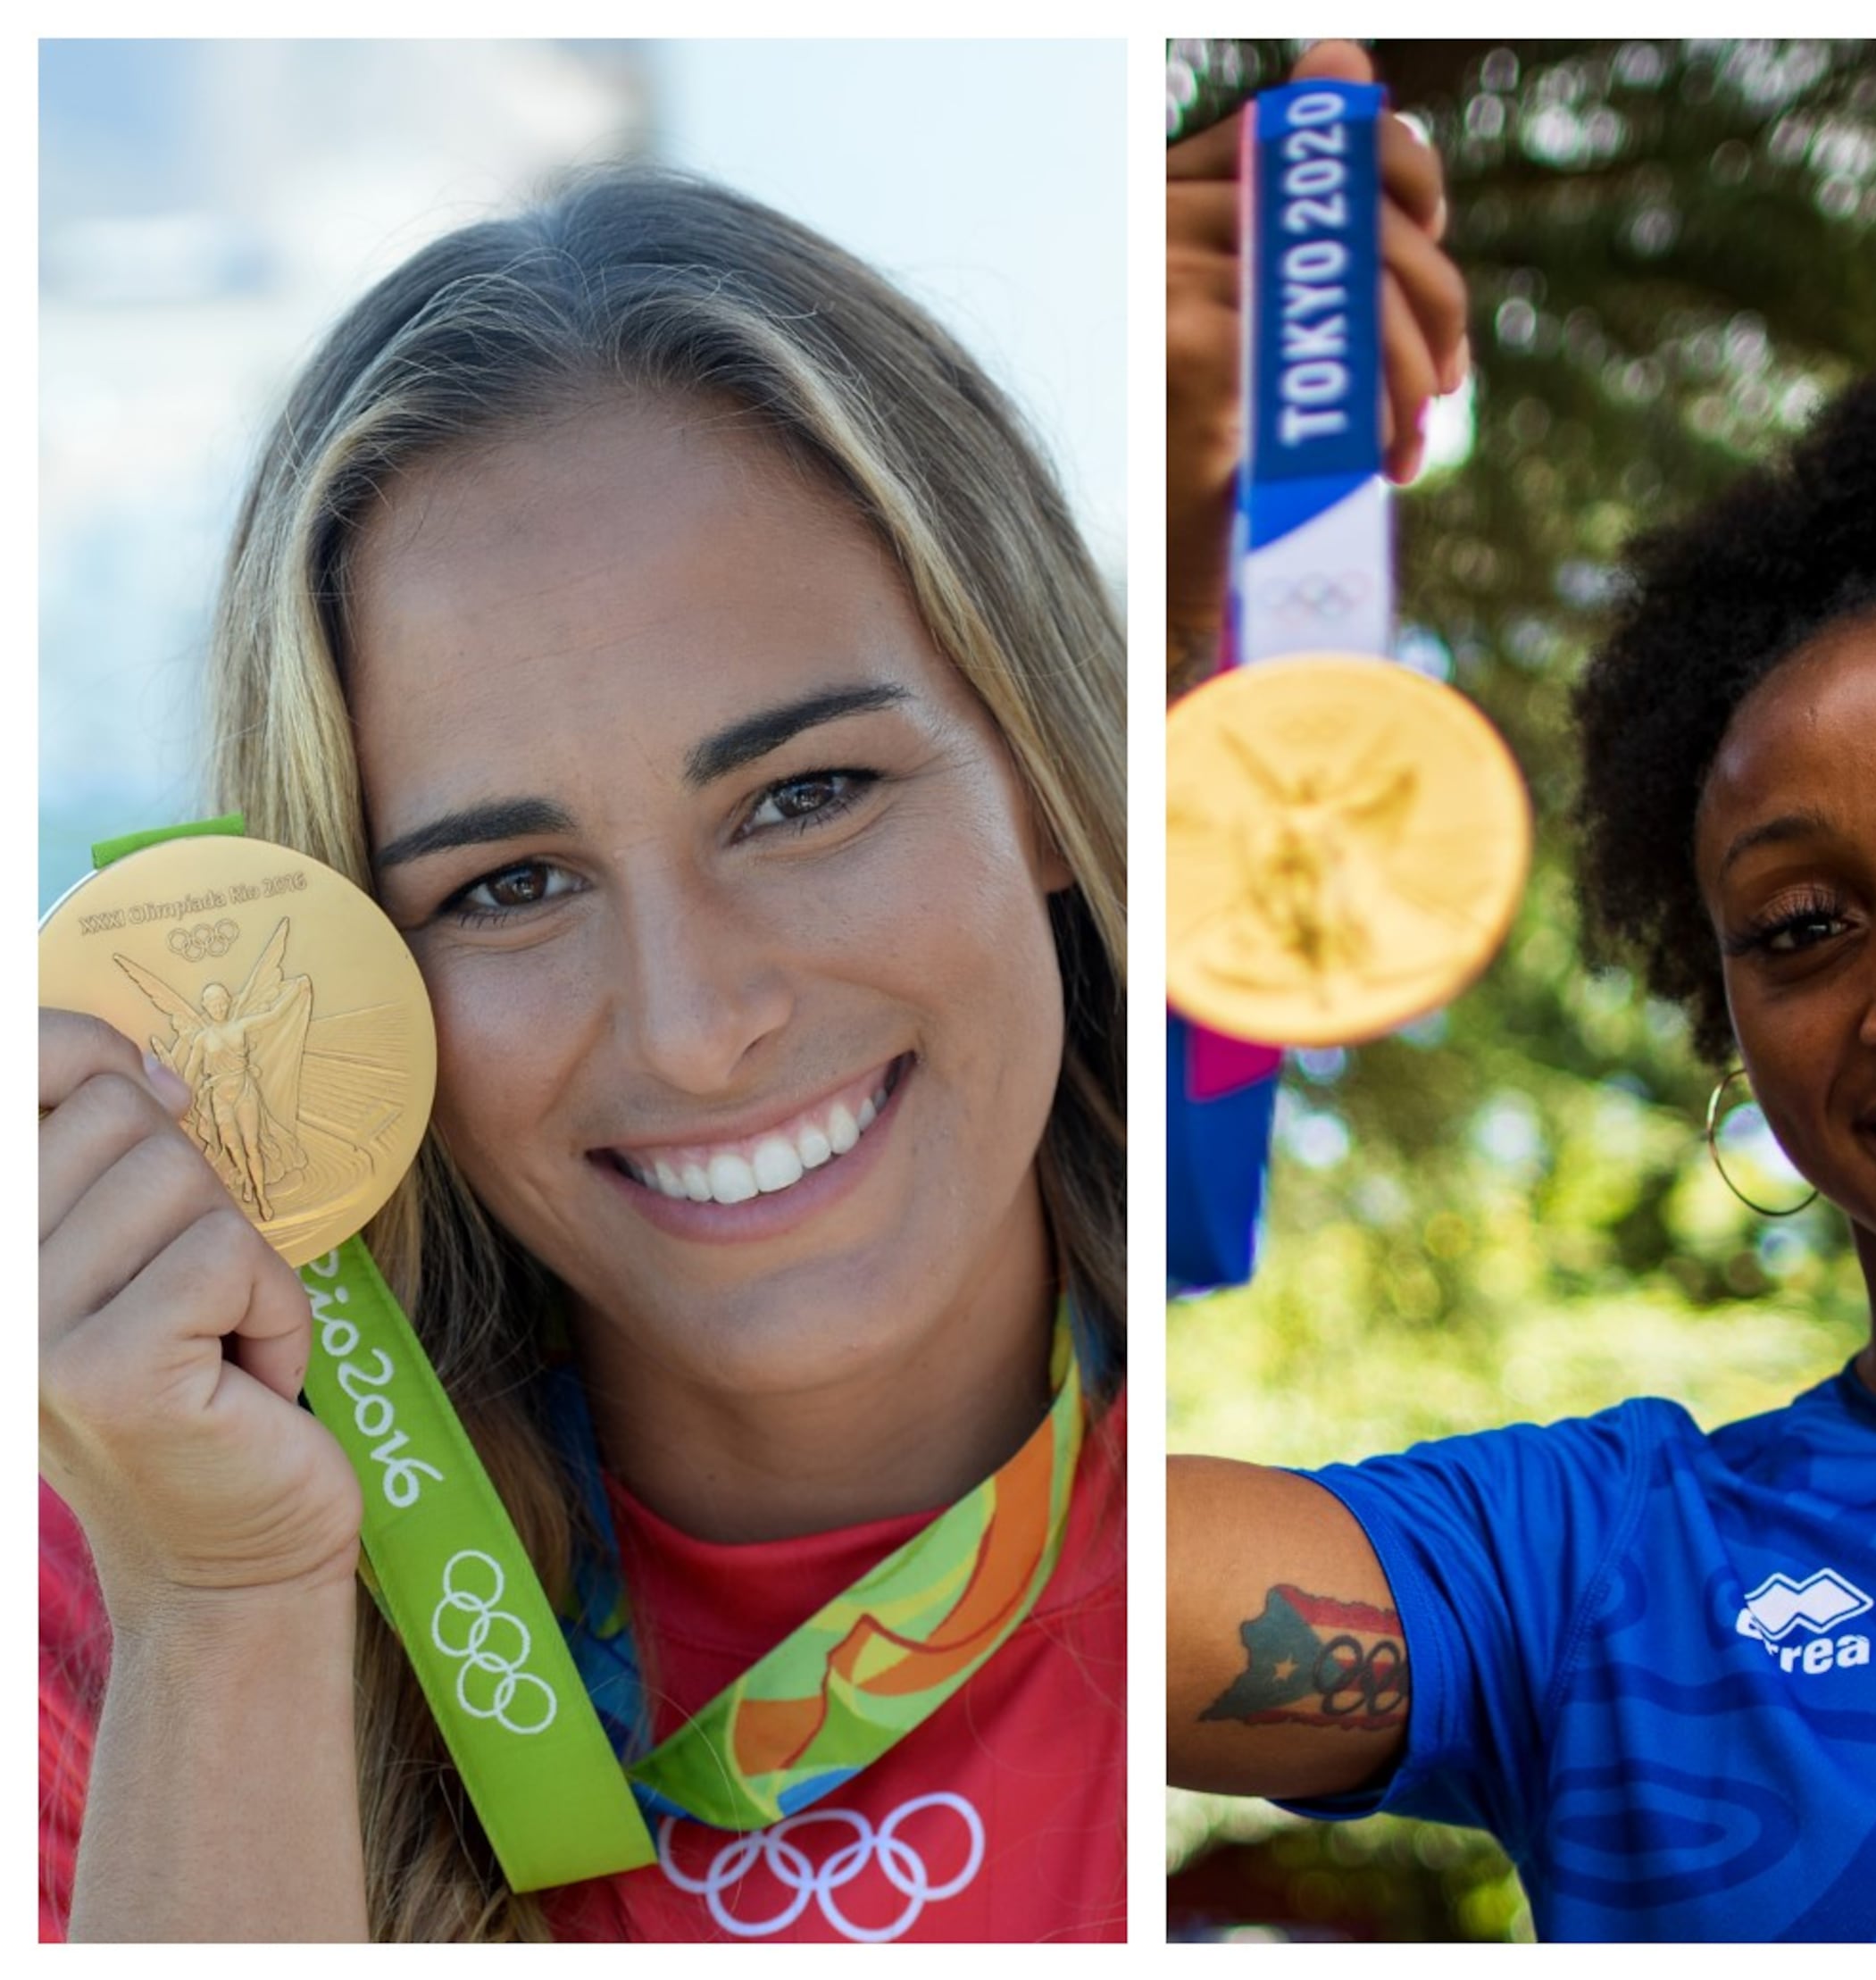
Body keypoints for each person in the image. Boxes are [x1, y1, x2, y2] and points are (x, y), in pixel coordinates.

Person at [1167, 44, 1876, 1943]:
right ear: (1721, 1001)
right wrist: (1180, 589)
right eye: (1800, 926)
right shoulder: (1592, 1579)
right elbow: (995, 1566)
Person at [40, 165, 1126, 1943]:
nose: (699, 1029)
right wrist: (229, 1614)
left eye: (806, 794)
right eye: (510, 884)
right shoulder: (111, 1590)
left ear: (1037, 765)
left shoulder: (1294, 1484)